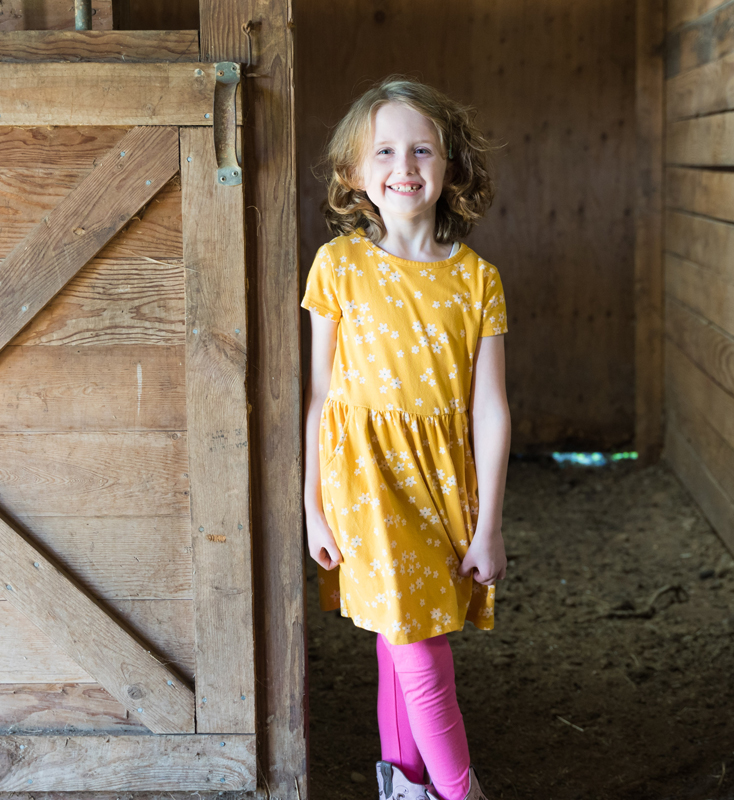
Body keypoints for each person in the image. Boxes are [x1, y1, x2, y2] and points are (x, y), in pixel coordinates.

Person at [302, 76, 509, 800]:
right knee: (421, 647)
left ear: (450, 166)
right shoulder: (339, 266)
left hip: (444, 480)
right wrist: (312, 505)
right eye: (384, 151)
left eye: (423, 149)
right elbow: (320, 394)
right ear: (356, 174)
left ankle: (407, 785)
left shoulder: (478, 280)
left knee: (402, 638)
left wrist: (489, 527)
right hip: (365, 479)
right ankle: (461, 792)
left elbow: (491, 410)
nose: (405, 166)